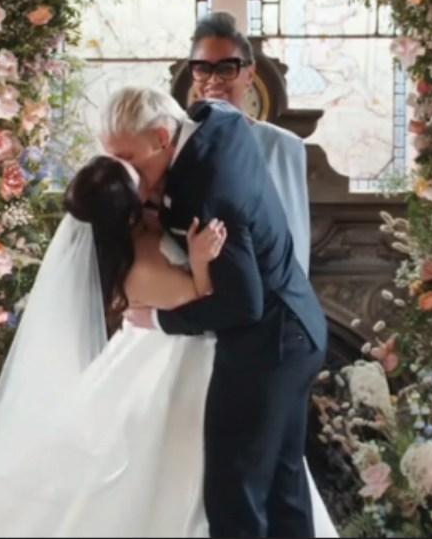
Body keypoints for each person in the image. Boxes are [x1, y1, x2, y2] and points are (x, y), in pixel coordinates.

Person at [0, 156, 338, 537]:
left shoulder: (138, 242)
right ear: (129, 208)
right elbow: (205, 307)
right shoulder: (141, 262)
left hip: (172, 356)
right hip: (179, 367)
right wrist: (199, 263)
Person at [103, 86, 328, 537]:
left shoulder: (205, 192)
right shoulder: (213, 120)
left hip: (268, 347)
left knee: (234, 493)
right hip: (301, 327)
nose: (126, 174)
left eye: (130, 160)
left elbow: (243, 305)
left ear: (163, 138)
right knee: (284, 488)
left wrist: (161, 320)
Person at [188, 12, 311, 273]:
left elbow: (295, 244)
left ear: (250, 74)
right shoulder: (177, 143)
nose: (213, 80)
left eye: (226, 68)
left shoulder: (282, 147)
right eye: (202, 68)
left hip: (267, 297)